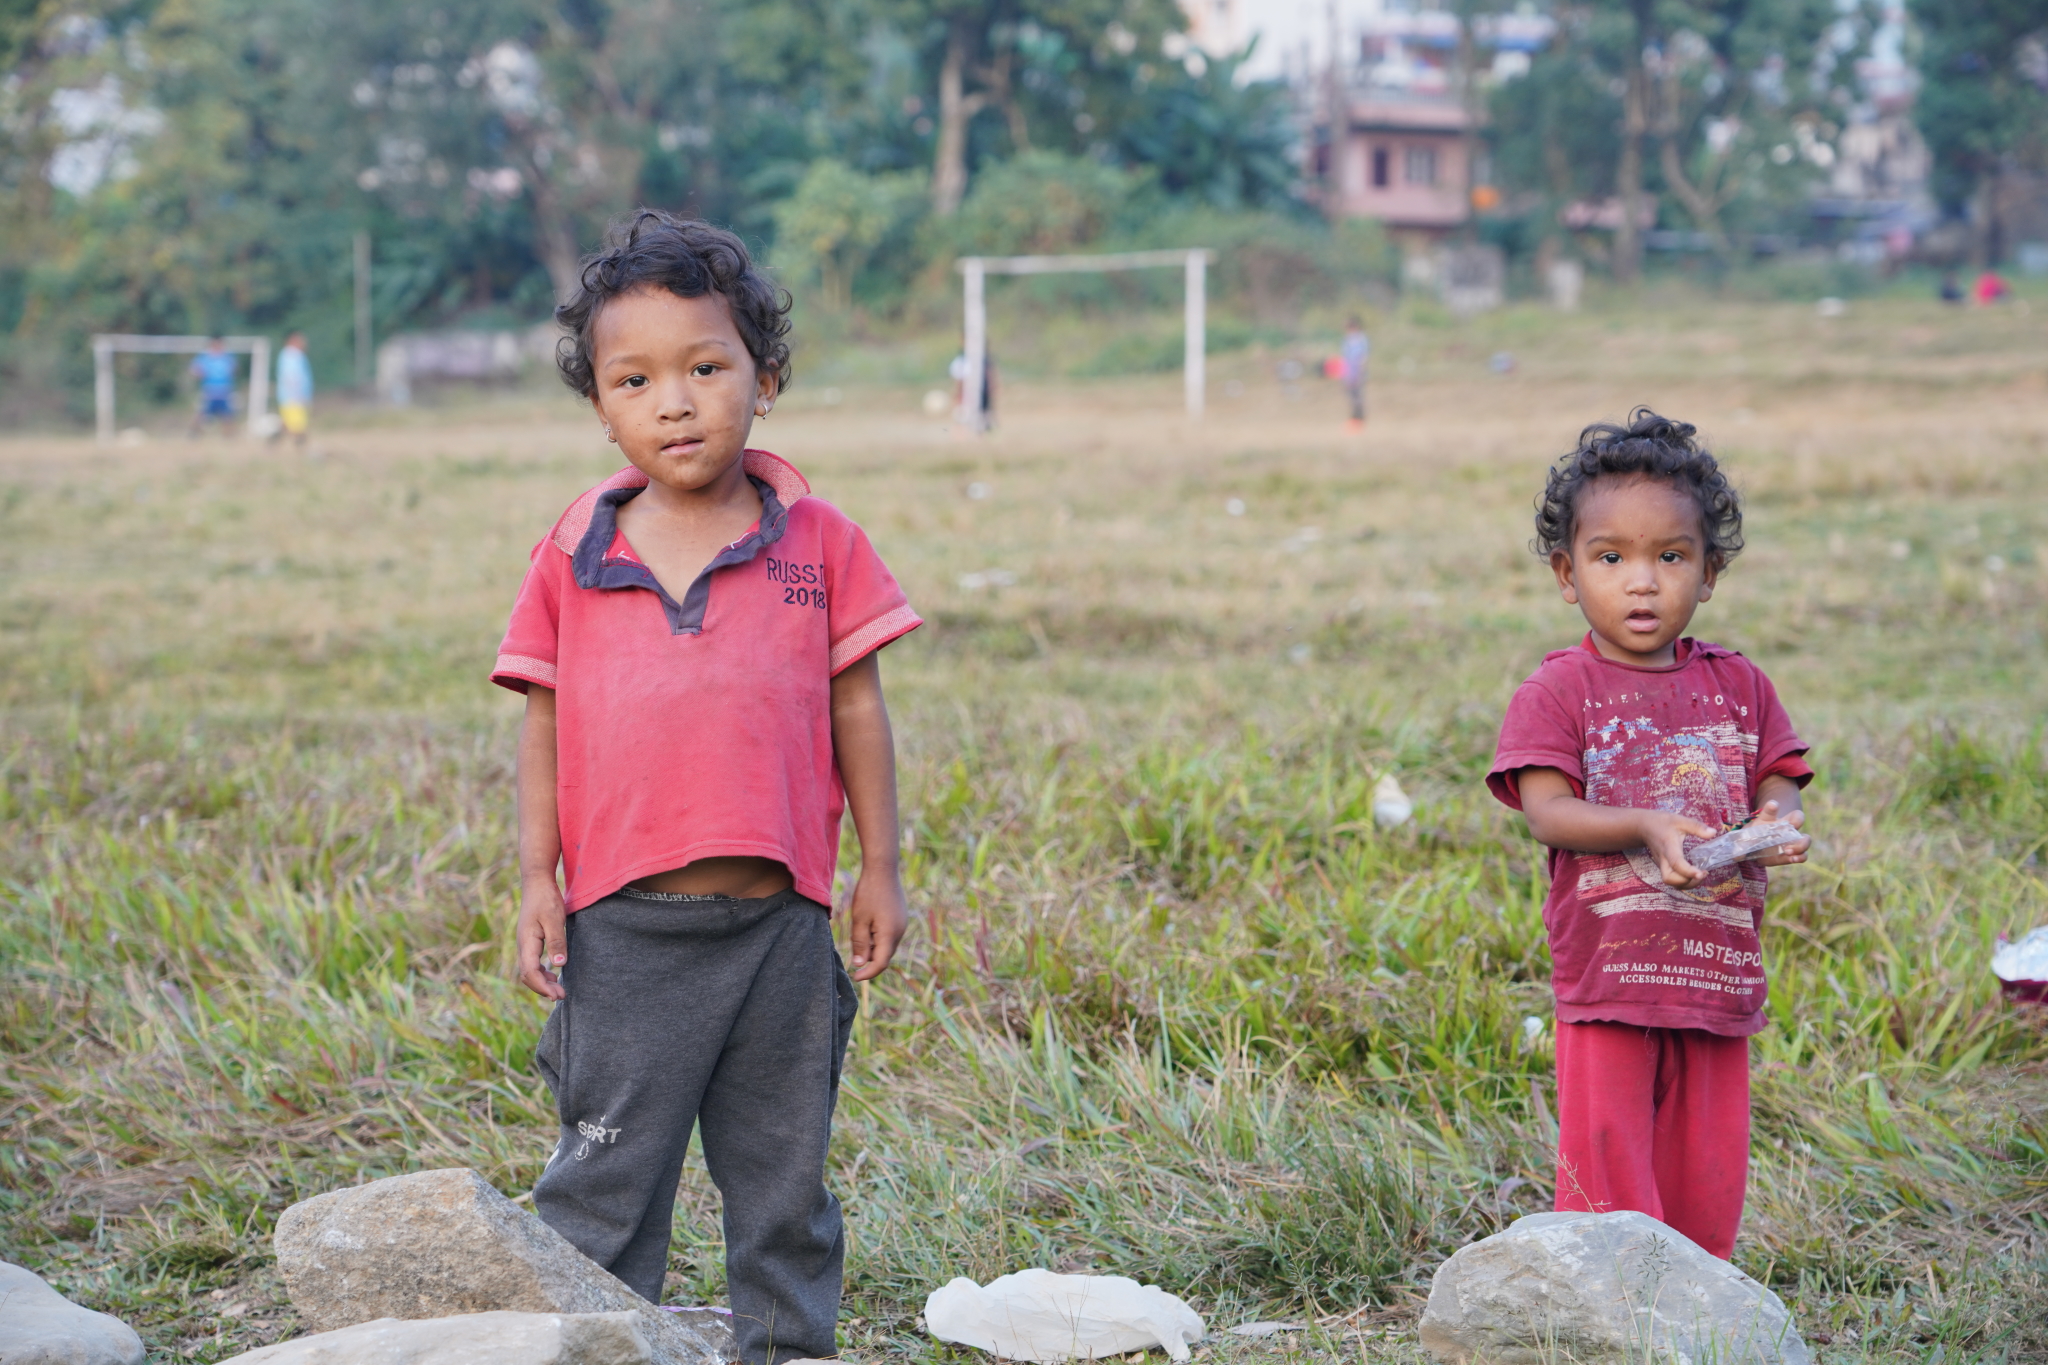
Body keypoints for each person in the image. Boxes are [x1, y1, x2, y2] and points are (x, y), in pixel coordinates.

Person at [491, 210, 918, 1365]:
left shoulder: (817, 542)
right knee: (603, 1179)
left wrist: (878, 868)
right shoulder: (573, 554)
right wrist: (537, 877)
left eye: (706, 367)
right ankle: (595, 1346)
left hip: (780, 928)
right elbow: (542, 722)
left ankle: (784, 1351)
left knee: (782, 1184)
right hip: (621, 933)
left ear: (764, 380)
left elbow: (856, 712)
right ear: (601, 407)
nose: (674, 402)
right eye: (635, 379)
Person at [1485, 409, 1813, 1260]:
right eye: (1611, 557)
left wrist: (1779, 820)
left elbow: (1779, 770)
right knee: (1607, 1182)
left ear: (1709, 573)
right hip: (1608, 979)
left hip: (1714, 976)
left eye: (1670, 556)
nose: (1641, 582)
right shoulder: (1560, 691)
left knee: (1707, 1178)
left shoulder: (1739, 683)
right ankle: (1605, 1322)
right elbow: (1548, 810)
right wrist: (1643, 823)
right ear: (1567, 572)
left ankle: (1693, 1316)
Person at [188, 337, 238, 437]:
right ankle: (193, 434)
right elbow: (194, 370)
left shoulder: (227, 358)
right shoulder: (205, 358)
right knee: (200, 414)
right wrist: (199, 373)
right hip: (209, 391)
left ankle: (229, 436)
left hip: (224, 391)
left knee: (227, 415)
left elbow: (235, 369)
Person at [274, 331, 313, 449]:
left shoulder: (294, 355)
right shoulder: (291, 355)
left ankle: (272, 444)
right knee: (299, 428)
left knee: (287, 425)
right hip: (293, 397)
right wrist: (298, 395)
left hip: (292, 397)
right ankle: (302, 451)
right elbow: (291, 378)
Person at [1339, 315, 1369, 430]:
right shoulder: (1347, 340)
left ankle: (1360, 420)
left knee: (1358, 396)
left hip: (1358, 371)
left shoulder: (1361, 339)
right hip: (1349, 372)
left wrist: (1360, 372)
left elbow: (1363, 357)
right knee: (1351, 397)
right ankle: (1353, 419)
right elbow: (1345, 358)